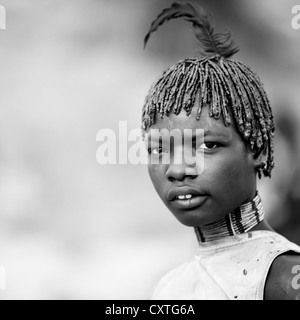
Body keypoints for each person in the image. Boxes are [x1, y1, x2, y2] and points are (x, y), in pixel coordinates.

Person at [142, 2, 300, 300]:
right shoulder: (169, 287)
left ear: (259, 149)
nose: (177, 170)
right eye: (159, 149)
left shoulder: (284, 278)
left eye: (207, 146)